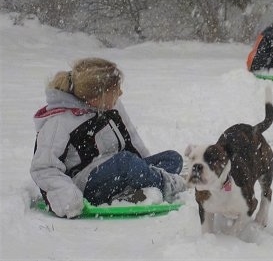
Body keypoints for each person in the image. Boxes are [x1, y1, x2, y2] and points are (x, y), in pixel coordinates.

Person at [30, 57, 186, 218]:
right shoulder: (59, 122)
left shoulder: (110, 106)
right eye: (116, 89)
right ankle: (167, 185)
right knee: (125, 162)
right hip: (85, 186)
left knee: (172, 158)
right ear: (97, 96)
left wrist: (144, 170)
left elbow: (131, 140)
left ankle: (138, 190)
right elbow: (44, 168)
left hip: (119, 172)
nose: (121, 93)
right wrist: (68, 199)